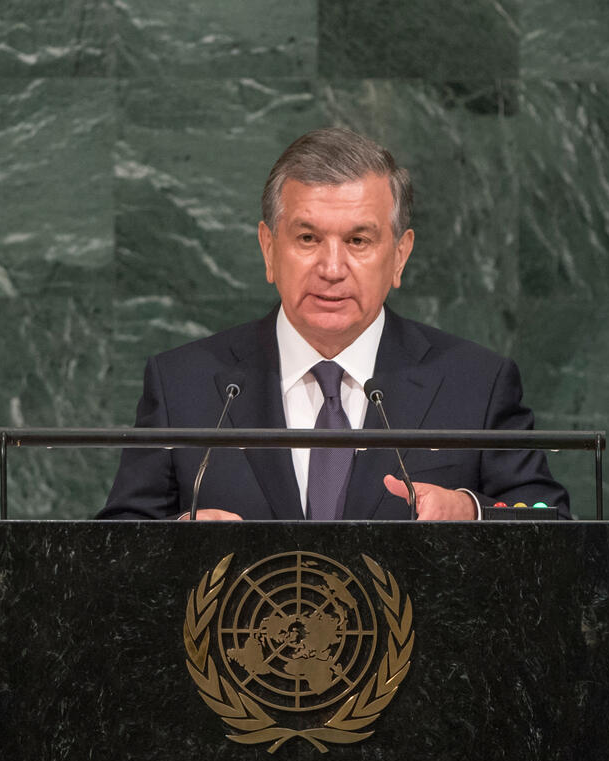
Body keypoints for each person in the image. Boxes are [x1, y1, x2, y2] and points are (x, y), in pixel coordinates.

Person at [96, 127, 569, 521]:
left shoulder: (476, 384)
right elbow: (115, 544)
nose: (332, 268)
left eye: (359, 241)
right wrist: (175, 541)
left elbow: (549, 518)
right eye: (307, 238)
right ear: (268, 249)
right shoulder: (183, 385)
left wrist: (472, 511)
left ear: (399, 255)